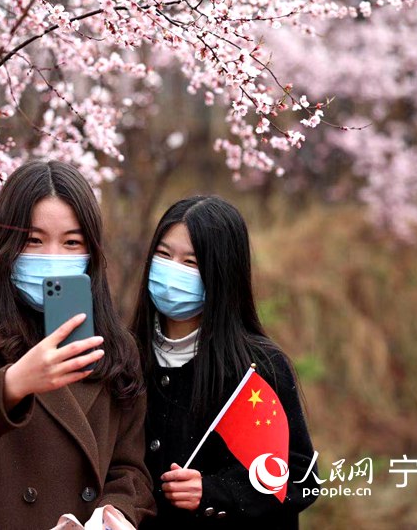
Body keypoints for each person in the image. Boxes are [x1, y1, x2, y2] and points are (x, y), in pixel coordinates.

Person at [0, 160, 155, 529]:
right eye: (33, 240)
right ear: (5, 245)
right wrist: (14, 383)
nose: (53, 257)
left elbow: (128, 467)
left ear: (92, 254)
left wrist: (116, 511)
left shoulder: (116, 348)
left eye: (72, 242)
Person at [131, 196, 319, 529]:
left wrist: (216, 492)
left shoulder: (257, 368)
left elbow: (302, 477)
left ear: (221, 273)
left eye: (191, 262)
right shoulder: (126, 356)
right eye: (163, 254)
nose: (172, 269)